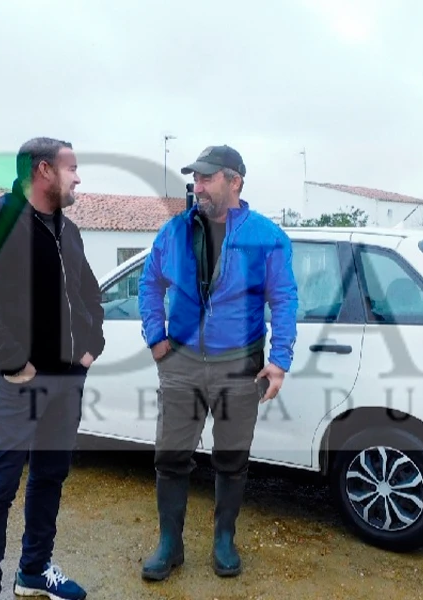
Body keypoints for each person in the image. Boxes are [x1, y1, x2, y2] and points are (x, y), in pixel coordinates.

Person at [137, 144, 298, 580]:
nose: (198, 185)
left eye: (207, 177)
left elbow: (283, 300)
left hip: (238, 366)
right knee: (170, 458)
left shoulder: (266, 237)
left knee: (231, 458)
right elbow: (149, 284)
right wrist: (156, 338)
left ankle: (224, 539)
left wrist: (279, 359)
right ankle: (170, 544)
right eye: (196, 178)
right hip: (182, 363)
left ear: (234, 181)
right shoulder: (173, 232)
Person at [0, 137, 104, 600]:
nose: (78, 177)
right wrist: (14, 361)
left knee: (49, 478)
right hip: (16, 383)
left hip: (66, 382)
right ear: (43, 171)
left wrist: (90, 347)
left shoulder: (68, 230)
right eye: (72, 168)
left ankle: (33, 572)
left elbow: (90, 295)